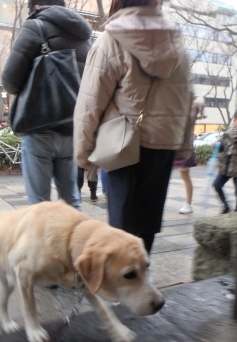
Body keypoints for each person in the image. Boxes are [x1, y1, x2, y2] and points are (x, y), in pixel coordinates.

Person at [74, 0, 193, 254]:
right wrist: (183, 146)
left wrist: (83, 153)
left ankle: (124, 286)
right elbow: (186, 99)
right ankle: (139, 279)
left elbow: (90, 102)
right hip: (164, 143)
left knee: (122, 223)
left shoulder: (111, 39)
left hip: (123, 141)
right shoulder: (176, 44)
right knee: (148, 222)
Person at [1, 0, 92, 210]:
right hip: (72, 128)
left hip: (40, 126)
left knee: (39, 206)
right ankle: (73, 243)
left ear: (38, 5)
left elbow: (10, 80)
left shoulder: (36, 26)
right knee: (71, 200)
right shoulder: (83, 35)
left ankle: (43, 243)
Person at [213, 107, 237, 214]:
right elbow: (222, 147)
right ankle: (225, 206)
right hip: (226, 167)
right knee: (216, 185)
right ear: (235, 120)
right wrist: (216, 145)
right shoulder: (228, 134)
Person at [174, 96, 206, 214]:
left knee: (185, 175)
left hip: (183, 146)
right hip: (175, 144)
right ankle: (188, 204)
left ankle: (188, 204)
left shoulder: (190, 106)